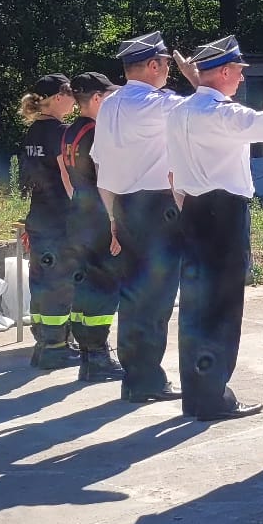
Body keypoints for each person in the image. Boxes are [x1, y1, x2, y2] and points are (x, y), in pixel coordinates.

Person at [167, 36, 263, 423]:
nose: (241, 79)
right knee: (222, 307)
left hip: (192, 209)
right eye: (238, 72)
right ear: (223, 71)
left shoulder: (180, 111)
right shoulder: (224, 114)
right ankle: (215, 397)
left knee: (195, 306)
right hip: (223, 213)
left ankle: (196, 393)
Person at [91, 32, 192, 404]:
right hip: (158, 207)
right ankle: (147, 377)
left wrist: (111, 215)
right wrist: (196, 77)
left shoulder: (110, 105)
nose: (168, 71)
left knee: (133, 294)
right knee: (157, 297)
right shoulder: (160, 105)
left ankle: (134, 376)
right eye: (165, 64)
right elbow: (205, 110)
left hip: (124, 205)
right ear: (153, 65)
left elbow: (101, 163)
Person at [58, 72, 125, 380]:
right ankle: (97, 356)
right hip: (98, 214)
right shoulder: (98, 131)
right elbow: (105, 178)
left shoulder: (70, 130)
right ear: (97, 99)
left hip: (78, 213)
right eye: (109, 97)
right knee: (104, 286)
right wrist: (114, 220)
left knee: (84, 285)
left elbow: (68, 175)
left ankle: (88, 354)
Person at [17, 76, 79, 371]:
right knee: (60, 281)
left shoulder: (33, 131)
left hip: (39, 216)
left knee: (41, 279)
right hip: (60, 218)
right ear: (57, 98)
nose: (74, 101)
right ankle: (56, 347)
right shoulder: (60, 132)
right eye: (71, 94)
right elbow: (67, 175)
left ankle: (43, 341)